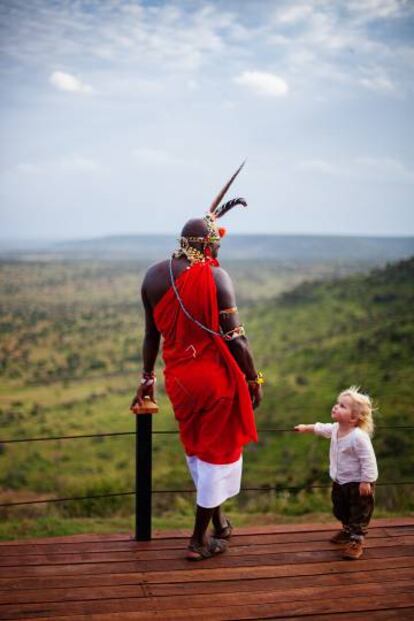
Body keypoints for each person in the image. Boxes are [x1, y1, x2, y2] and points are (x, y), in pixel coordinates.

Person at [131, 163, 263, 561]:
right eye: (217, 245)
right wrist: (254, 379)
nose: (219, 251)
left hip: (179, 380)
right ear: (206, 245)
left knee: (198, 451)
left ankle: (220, 524)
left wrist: (146, 377)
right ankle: (196, 540)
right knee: (217, 456)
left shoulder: (153, 276)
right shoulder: (217, 278)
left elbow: (151, 334)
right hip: (214, 380)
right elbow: (237, 341)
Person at [294, 386, 378, 560]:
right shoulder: (335, 429)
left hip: (358, 483)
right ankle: (347, 530)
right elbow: (321, 428)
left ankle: (356, 540)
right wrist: (305, 427)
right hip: (340, 481)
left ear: (353, 418)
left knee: (359, 512)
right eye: (337, 403)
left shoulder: (358, 437)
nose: (335, 407)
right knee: (340, 508)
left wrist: (366, 481)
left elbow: (368, 460)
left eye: (342, 406)